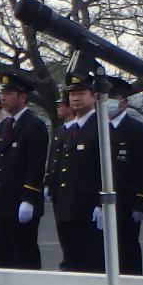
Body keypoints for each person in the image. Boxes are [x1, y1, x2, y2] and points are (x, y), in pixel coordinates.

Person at [0, 65, 48, 270]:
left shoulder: (33, 125)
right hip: (2, 201)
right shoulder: (5, 126)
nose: (3, 97)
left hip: (21, 202)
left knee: (24, 255)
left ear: (23, 97)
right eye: (2, 93)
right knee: (4, 256)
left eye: (9, 93)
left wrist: (29, 199)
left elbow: (35, 165)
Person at [52, 73, 104, 273]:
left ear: (93, 96)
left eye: (81, 93)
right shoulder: (68, 130)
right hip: (67, 206)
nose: (75, 98)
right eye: (72, 94)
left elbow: (107, 170)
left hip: (88, 209)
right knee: (70, 262)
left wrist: (101, 204)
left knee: (90, 263)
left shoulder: (100, 127)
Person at [104, 78, 143, 274]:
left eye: (113, 98)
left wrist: (141, 204)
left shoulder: (137, 131)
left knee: (127, 252)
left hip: (126, 203)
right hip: (101, 203)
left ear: (124, 102)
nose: (108, 102)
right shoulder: (99, 128)